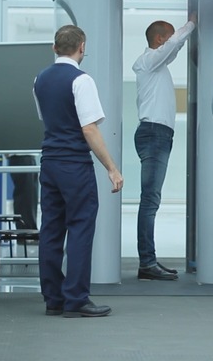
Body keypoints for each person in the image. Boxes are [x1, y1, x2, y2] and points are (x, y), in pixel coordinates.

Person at [33, 25, 123, 317]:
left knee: (51, 229)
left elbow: (46, 119)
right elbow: (89, 129)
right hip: (74, 163)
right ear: (81, 46)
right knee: (81, 227)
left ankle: (53, 298)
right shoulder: (81, 80)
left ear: (54, 47)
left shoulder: (40, 80)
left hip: (49, 163)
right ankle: (76, 300)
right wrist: (112, 168)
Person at [132, 12, 197, 281]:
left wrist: (185, 34)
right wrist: (191, 23)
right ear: (159, 39)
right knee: (150, 201)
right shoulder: (148, 61)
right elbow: (172, 46)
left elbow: (174, 49)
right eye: (169, 36)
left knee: (150, 200)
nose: (173, 41)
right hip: (154, 134)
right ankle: (147, 262)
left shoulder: (158, 65)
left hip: (159, 135)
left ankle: (149, 261)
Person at [6, 154, 38, 232]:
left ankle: (28, 231)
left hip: (27, 155)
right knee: (26, 196)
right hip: (21, 156)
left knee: (30, 196)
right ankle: (25, 232)